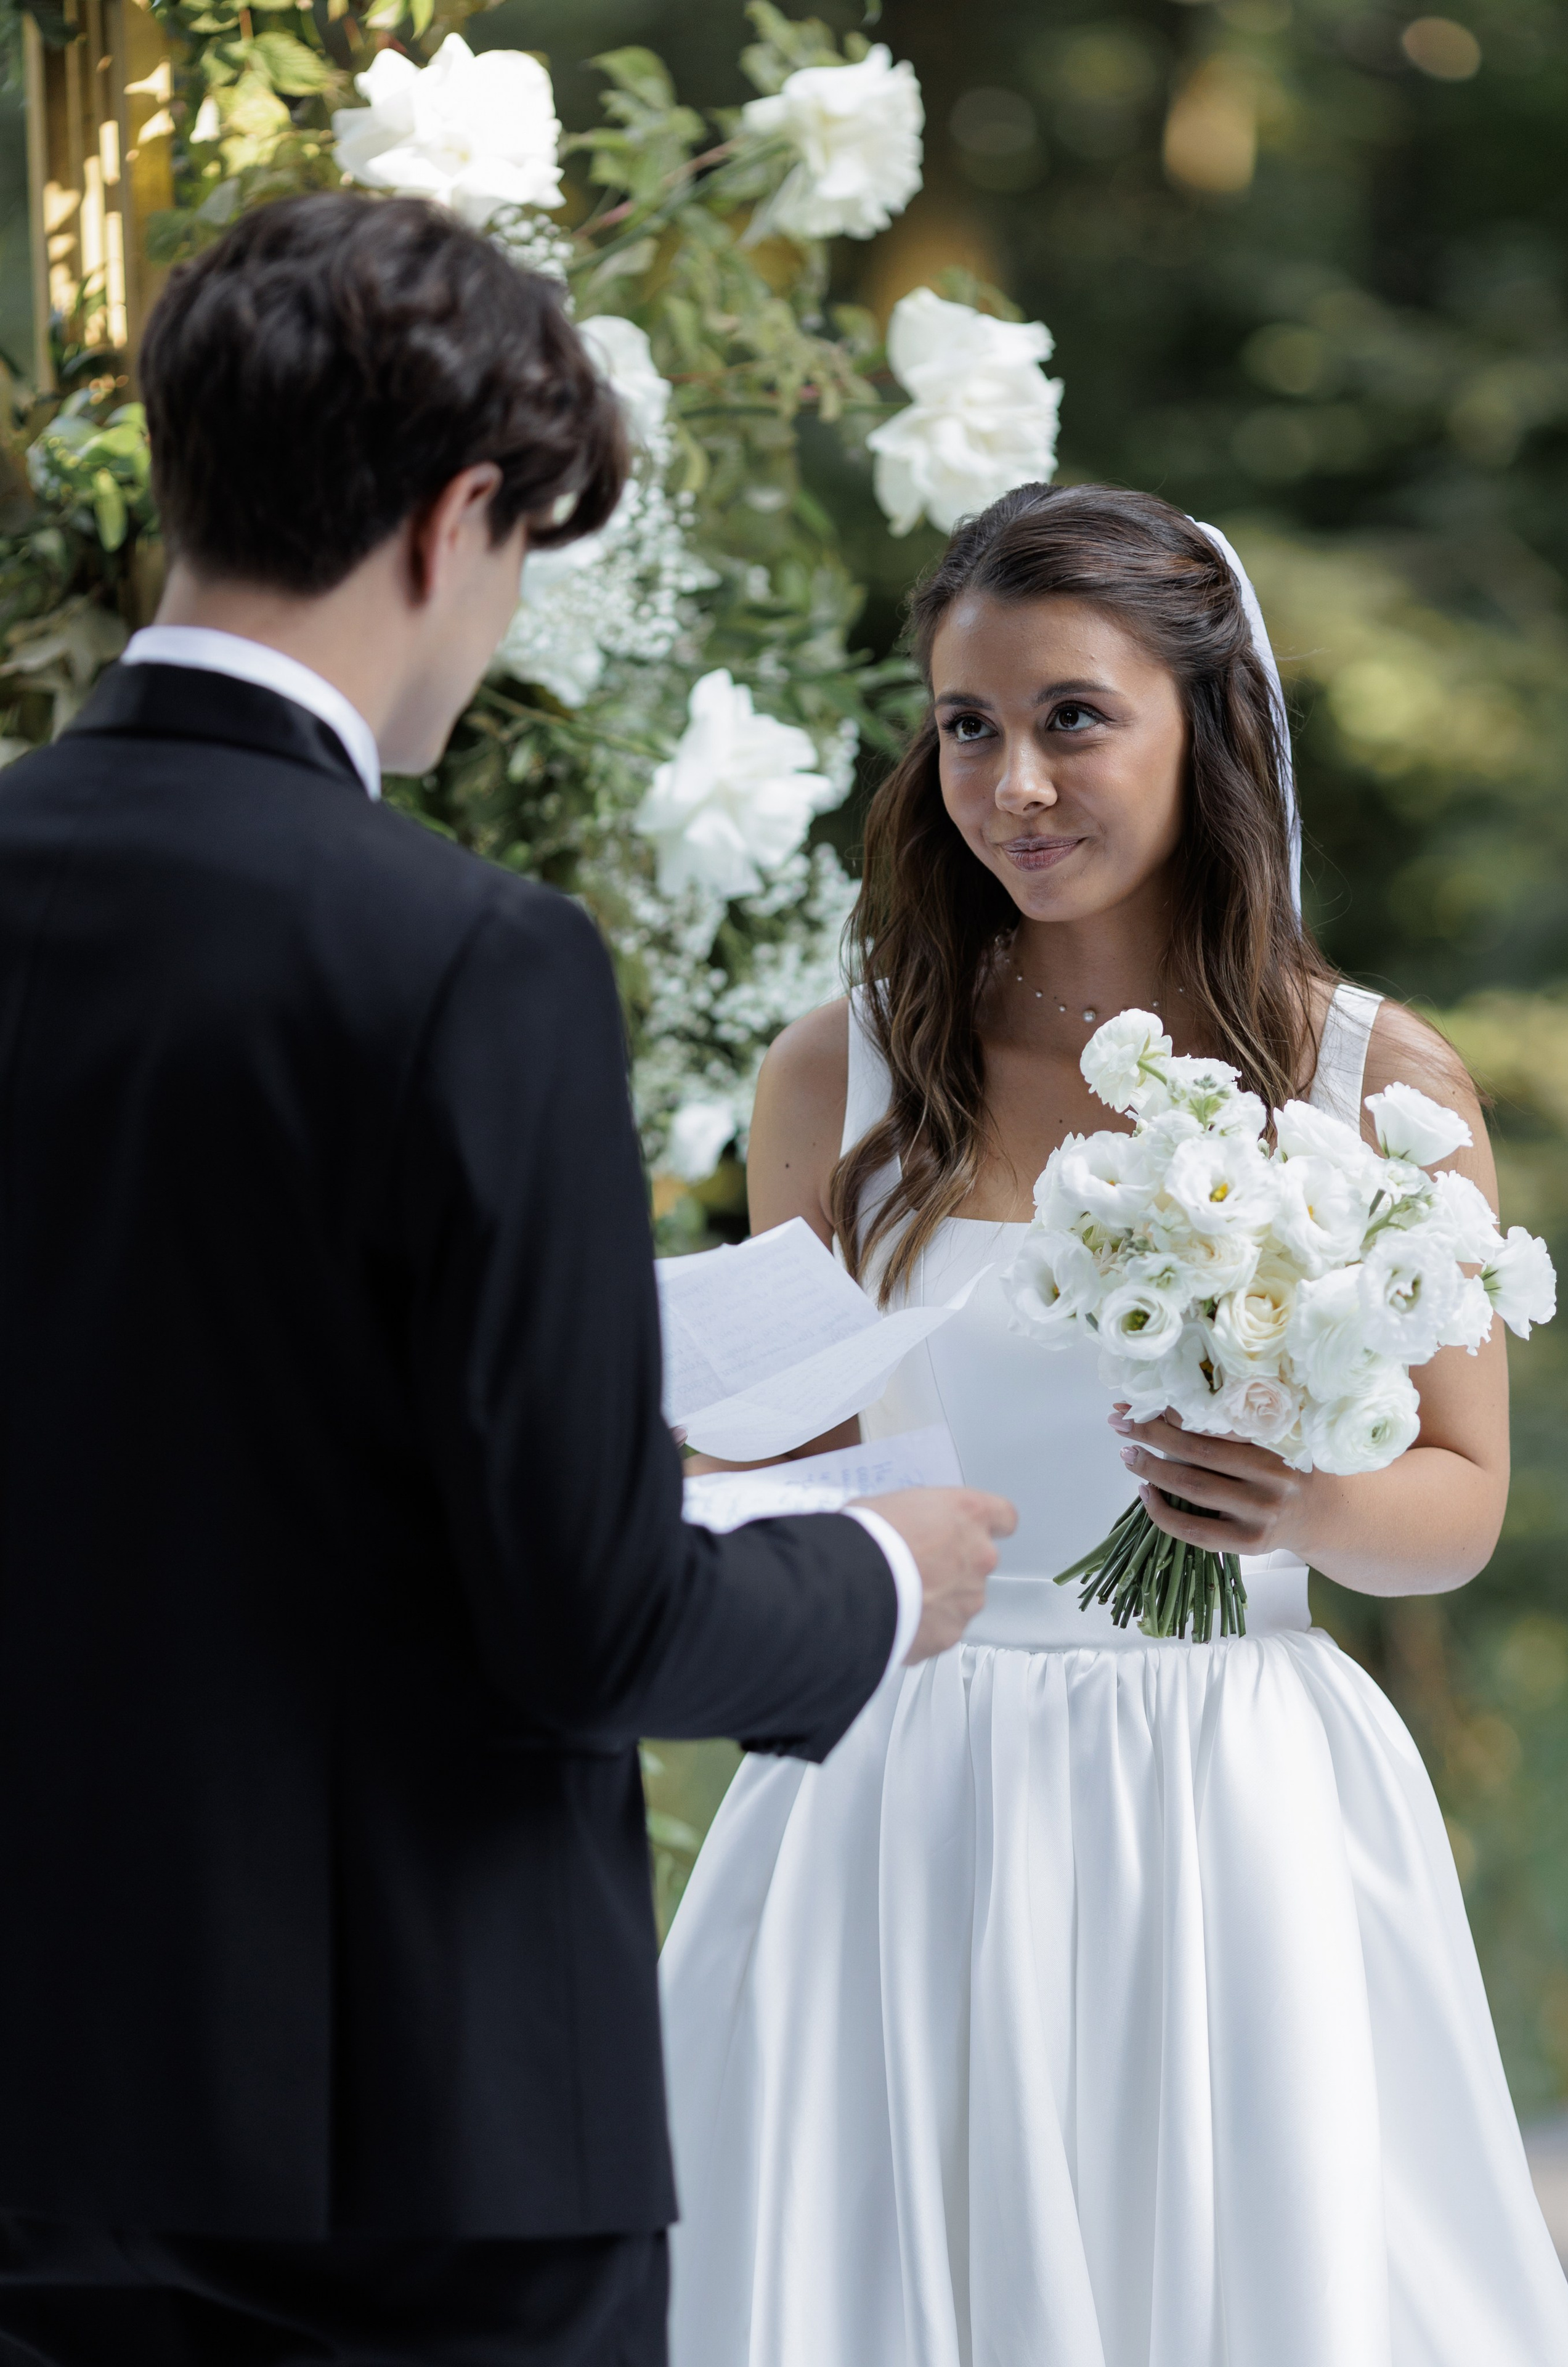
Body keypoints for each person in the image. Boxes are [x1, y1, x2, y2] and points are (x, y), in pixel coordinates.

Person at [0, 192, 1014, 2367]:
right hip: (405, 2135)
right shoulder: (467, 960)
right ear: (462, 517)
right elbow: (586, 1610)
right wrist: (876, 1576)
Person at [661, 482, 1568, 2366]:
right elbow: (776, 1456)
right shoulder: (840, 1069)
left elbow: (1463, 1500)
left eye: (1075, 716)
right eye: (969, 727)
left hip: (1227, 1797)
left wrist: (1304, 1491)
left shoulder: (1365, 1077)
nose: (1015, 783)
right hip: (896, 1793)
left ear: (1208, 724)